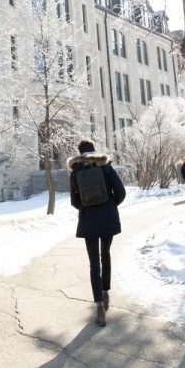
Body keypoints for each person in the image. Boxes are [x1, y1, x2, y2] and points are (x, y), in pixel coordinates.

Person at [68, 138, 126, 327]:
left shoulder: (76, 170)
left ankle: (99, 306)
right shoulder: (105, 165)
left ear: (80, 152)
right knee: (105, 255)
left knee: (94, 262)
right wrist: (109, 205)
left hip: (88, 220)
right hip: (107, 217)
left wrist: (86, 208)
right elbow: (121, 192)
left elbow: (74, 201)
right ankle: (106, 291)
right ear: (94, 150)